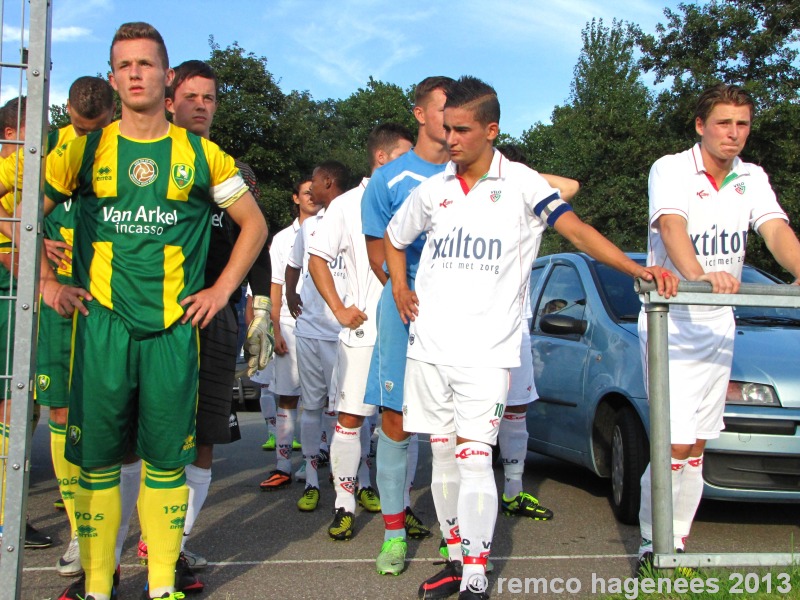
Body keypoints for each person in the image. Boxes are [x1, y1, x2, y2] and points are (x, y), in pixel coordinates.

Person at [0, 22, 268, 600]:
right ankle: (98, 585)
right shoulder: (83, 149)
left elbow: (255, 224)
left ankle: (162, 583)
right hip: (103, 329)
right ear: (113, 75)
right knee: (98, 462)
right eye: (124, 65)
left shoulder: (200, 152)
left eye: (146, 64)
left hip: (174, 331)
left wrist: (222, 291)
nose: (135, 74)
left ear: (166, 76)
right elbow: (18, 214)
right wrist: (45, 281)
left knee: (166, 461)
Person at [384, 76, 676, 600]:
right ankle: (454, 560)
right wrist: (401, 286)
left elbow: (576, 229)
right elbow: (393, 237)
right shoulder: (433, 189)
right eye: (446, 128)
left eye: (462, 130)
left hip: (487, 350)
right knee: (444, 455)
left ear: (491, 130)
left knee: (475, 457)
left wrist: (634, 268)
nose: (450, 139)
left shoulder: (521, 182)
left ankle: (475, 573)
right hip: (428, 346)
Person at [636, 83, 800, 571]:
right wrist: (700, 276)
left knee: (699, 444)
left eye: (742, 123)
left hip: (718, 325)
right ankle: (653, 546)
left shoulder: (751, 176)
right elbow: (671, 227)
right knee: (673, 442)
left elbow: (775, 231)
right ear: (700, 126)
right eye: (724, 123)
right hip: (673, 323)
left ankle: (677, 544)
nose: (734, 134)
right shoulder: (671, 168)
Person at [361, 76, 454, 575]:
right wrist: (402, 287)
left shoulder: (478, 176)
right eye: (443, 109)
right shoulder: (390, 179)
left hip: (460, 316)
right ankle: (394, 535)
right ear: (420, 114)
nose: (452, 120)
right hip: (403, 309)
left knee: (454, 427)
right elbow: (379, 249)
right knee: (395, 421)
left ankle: (455, 534)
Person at [306, 123, 413, 545]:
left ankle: (401, 507)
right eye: (406, 153)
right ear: (382, 158)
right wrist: (338, 307)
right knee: (350, 419)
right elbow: (317, 259)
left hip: (405, 328)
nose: (415, 161)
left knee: (406, 420)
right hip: (364, 328)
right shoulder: (348, 203)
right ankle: (344, 506)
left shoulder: (417, 197)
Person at [29, 77, 116, 581]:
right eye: (81, 127)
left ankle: (141, 532)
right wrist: (38, 258)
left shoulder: (127, 145)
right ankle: (80, 531)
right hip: (59, 304)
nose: (88, 135)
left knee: (116, 414)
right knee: (59, 408)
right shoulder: (47, 150)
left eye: (97, 127)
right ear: (66, 113)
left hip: (109, 304)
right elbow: (13, 211)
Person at [283, 160, 348, 511]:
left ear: (328, 182)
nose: (310, 192)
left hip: (345, 333)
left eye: (315, 185)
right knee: (311, 408)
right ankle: (311, 479)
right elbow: (293, 266)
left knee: (348, 413)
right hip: (309, 331)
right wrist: (292, 295)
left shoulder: (355, 215)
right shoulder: (308, 228)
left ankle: (353, 483)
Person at [257, 178, 318, 480]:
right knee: (287, 397)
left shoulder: (331, 228)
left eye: (314, 191)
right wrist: (276, 331)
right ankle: (282, 466)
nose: (311, 196)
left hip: (324, 327)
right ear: (295, 198)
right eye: (305, 192)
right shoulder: (282, 238)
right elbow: (276, 286)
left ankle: (316, 464)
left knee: (324, 401)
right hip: (290, 326)